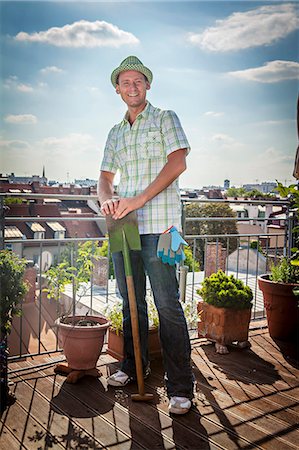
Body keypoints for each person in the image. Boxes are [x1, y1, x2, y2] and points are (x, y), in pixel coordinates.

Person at [98, 56, 194, 414]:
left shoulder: (165, 118)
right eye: (125, 82)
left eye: (138, 81)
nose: (132, 87)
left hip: (165, 226)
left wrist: (137, 199)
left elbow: (178, 162)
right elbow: (105, 178)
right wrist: (108, 200)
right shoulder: (115, 133)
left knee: (168, 304)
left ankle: (181, 386)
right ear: (118, 90)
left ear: (147, 85)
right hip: (125, 227)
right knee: (131, 301)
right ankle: (132, 366)